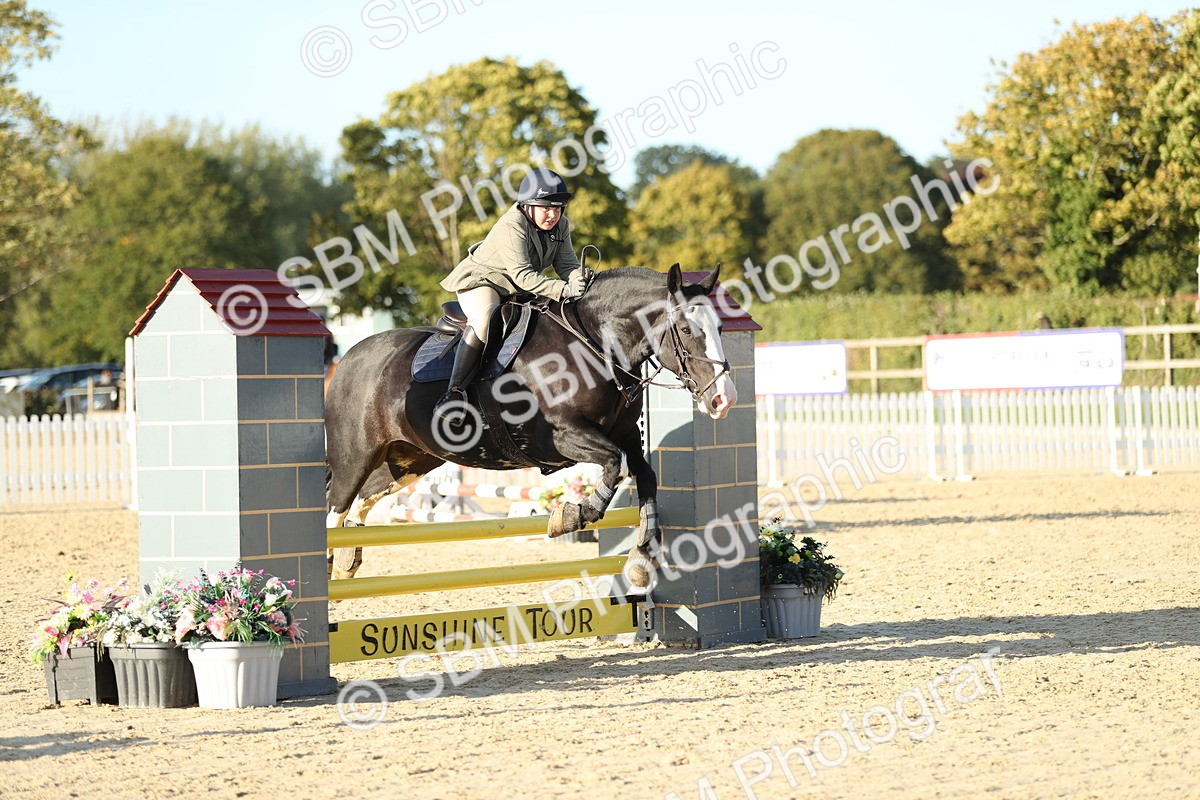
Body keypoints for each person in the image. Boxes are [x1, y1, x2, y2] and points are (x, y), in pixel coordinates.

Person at [435, 168, 589, 413]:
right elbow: (523, 276)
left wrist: (581, 279)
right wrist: (564, 288)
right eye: (546, 208)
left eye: (558, 208)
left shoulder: (562, 225)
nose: (553, 214)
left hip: (516, 289)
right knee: (485, 319)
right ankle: (454, 393)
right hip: (482, 282)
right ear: (528, 205)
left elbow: (567, 265)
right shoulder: (512, 224)